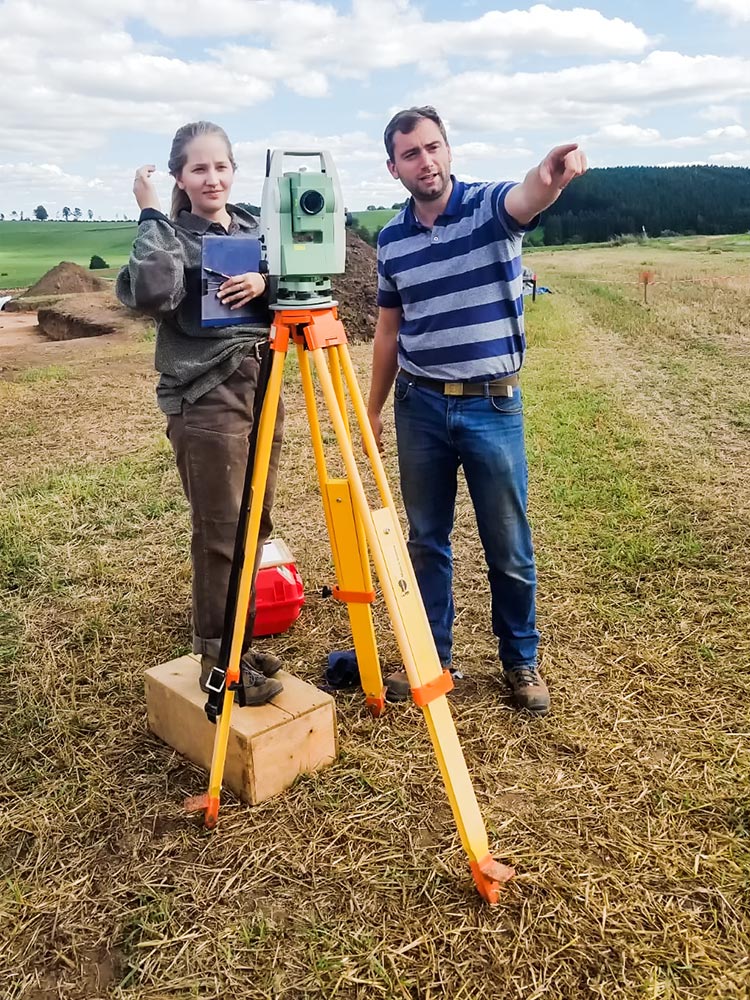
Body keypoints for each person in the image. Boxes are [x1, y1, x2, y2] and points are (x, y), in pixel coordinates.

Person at [367, 106, 587, 715]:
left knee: (508, 543)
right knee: (426, 541)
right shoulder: (391, 240)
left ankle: (520, 660)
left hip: (492, 405)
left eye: (433, 147)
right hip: (418, 406)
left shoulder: (488, 207)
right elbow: (388, 330)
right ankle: (432, 658)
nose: (426, 161)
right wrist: (374, 408)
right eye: (411, 154)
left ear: (448, 150)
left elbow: (528, 196)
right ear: (393, 168)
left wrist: (550, 177)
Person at [116, 121, 284, 706]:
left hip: (265, 382)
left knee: (255, 522)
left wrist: (264, 280)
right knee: (221, 529)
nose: (213, 178)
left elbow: (301, 286)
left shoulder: (255, 230)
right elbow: (151, 293)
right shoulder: (167, 235)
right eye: (199, 168)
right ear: (180, 178)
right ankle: (220, 663)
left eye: (221, 166)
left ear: (234, 170)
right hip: (206, 392)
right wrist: (149, 214)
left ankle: (240, 642)